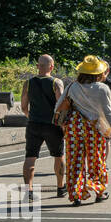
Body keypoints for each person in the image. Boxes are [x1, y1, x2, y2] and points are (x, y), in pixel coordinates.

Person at [56, 55, 111, 206]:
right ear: (98, 73)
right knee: (96, 161)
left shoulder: (72, 86)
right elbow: (108, 112)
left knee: (74, 161)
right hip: (94, 129)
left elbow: (58, 107)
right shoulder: (102, 88)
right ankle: (98, 190)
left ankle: (76, 195)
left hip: (74, 128)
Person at [20, 55, 65, 201]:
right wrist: (63, 124)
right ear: (52, 67)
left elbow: (23, 106)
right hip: (52, 125)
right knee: (58, 156)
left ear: (38, 66)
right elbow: (62, 106)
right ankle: (60, 187)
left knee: (30, 157)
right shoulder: (56, 82)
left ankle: (29, 191)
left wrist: (31, 117)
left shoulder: (28, 83)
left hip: (33, 125)